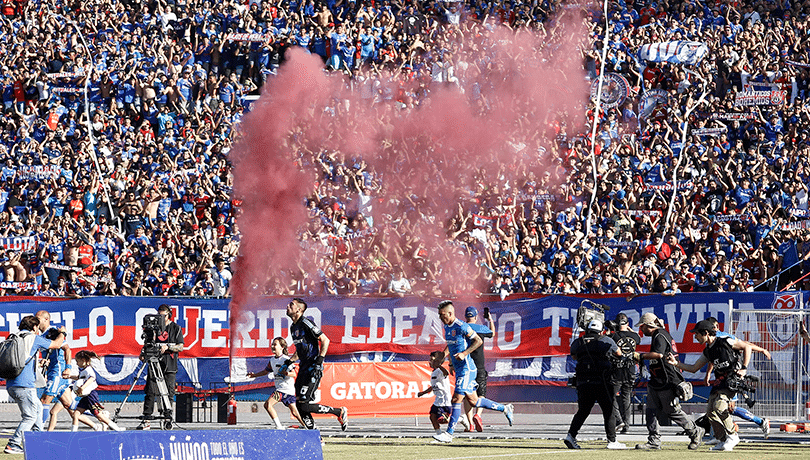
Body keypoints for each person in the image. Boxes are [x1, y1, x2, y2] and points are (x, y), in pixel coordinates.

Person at [432, 300, 514, 443]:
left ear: (450, 313)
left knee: (456, 399)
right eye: (439, 315)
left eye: (442, 314)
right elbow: (450, 345)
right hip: (459, 368)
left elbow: (478, 341)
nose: (440, 317)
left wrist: (464, 353)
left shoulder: (462, 326)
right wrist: (443, 357)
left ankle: (449, 434)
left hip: (467, 369)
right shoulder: (447, 327)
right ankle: (505, 409)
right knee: (474, 401)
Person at [667, 319, 754, 451]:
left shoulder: (725, 341)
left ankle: (733, 435)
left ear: (706, 333)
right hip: (720, 382)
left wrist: (744, 368)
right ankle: (723, 440)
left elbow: (747, 346)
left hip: (732, 380)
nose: (695, 337)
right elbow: (694, 368)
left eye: (697, 334)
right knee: (710, 412)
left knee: (720, 407)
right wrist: (676, 364)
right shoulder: (708, 351)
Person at [634, 312, 704, 450]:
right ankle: (654, 440)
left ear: (649, 325)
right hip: (657, 379)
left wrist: (640, 356)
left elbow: (659, 354)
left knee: (671, 411)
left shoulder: (659, 334)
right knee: (651, 411)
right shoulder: (658, 334)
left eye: (642, 327)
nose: (641, 330)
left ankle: (695, 432)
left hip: (667, 380)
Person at [280, 298, 347, 431]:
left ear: (299, 310)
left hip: (312, 367)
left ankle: (339, 412)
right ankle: (314, 436)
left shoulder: (306, 323)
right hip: (303, 367)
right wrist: (289, 361)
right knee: (299, 405)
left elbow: (325, 340)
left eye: (291, 305)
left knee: (304, 404)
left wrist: (319, 362)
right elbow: (301, 350)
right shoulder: (293, 327)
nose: (287, 306)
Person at [702, 317, 772, 441]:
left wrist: (761, 349)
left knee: (727, 407)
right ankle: (718, 436)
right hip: (721, 378)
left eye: (714, 327)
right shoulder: (711, 342)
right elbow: (712, 358)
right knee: (717, 406)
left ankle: (760, 422)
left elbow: (746, 345)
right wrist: (708, 373)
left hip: (732, 376)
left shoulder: (723, 337)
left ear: (715, 327)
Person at [4, 315, 65, 454]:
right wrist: (63, 333)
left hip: (11, 383)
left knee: (37, 408)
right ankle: (13, 444)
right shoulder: (33, 338)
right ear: (34, 327)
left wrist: (38, 363)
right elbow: (56, 344)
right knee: (30, 416)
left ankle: (39, 439)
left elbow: (21, 359)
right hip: (24, 385)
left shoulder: (13, 337)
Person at [563, 319, 626, 450]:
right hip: (602, 381)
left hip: (583, 382)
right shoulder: (606, 340)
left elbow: (574, 357)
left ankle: (571, 435)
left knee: (583, 411)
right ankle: (612, 440)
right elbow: (619, 354)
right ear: (601, 330)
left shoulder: (578, 342)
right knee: (608, 411)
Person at [137, 304, 184, 430]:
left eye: (163, 316)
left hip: (169, 364)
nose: (161, 319)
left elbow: (181, 346)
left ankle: (167, 418)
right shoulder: (153, 329)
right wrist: (143, 353)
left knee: (168, 392)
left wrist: (168, 347)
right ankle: (147, 418)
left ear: (169, 315)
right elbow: (147, 343)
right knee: (150, 391)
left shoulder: (175, 328)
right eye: (159, 316)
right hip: (154, 362)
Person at [247, 337, 306, 429]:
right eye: (272, 344)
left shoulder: (286, 360)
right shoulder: (272, 360)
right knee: (292, 412)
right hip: (282, 390)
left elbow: (294, 373)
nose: (273, 346)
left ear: (282, 347)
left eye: (275, 344)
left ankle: (283, 427)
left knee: (271, 405)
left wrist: (286, 373)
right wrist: (254, 375)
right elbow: (265, 371)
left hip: (286, 390)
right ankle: (306, 428)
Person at [68, 350, 124, 431]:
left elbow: (92, 378)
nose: (77, 363)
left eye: (77, 361)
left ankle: (116, 428)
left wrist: (82, 388)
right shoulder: (83, 370)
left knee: (99, 416)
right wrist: (69, 376)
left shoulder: (88, 370)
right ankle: (73, 433)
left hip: (91, 395)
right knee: (76, 414)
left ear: (83, 361)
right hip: (85, 397)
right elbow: (78, 377)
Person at [417, 350, 469, 435]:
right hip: (438, 401)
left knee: (443, 420)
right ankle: (439, 434)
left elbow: (446, 373)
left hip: (445, 401)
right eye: (430, 360)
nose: (430, 362)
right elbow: (434, 386)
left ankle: (461, 419)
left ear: (438, 361)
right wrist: (423, 392)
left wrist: (439, 366)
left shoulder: (440, 371)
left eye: (432, 360)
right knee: (432, 416)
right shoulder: (434, 372)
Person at [608, 313, 640, 434]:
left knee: (610, 397)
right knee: (626, 398)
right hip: (630, 370)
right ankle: (626, 425)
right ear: (627, 323)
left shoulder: (614, 336)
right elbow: (638, 338)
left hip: (617, 370)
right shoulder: (634, 336)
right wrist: (629, 329)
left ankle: (619, 420)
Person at [463, 306, 494, 432]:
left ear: (466, 317)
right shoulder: (481, 328)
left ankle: (470, 424)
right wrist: (490, 320)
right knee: (481, 393)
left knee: (467, 395)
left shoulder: (462, 327)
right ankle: (478, 415)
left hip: (466, 365)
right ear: (475, 317)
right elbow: (492, 333)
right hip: (479, 365)